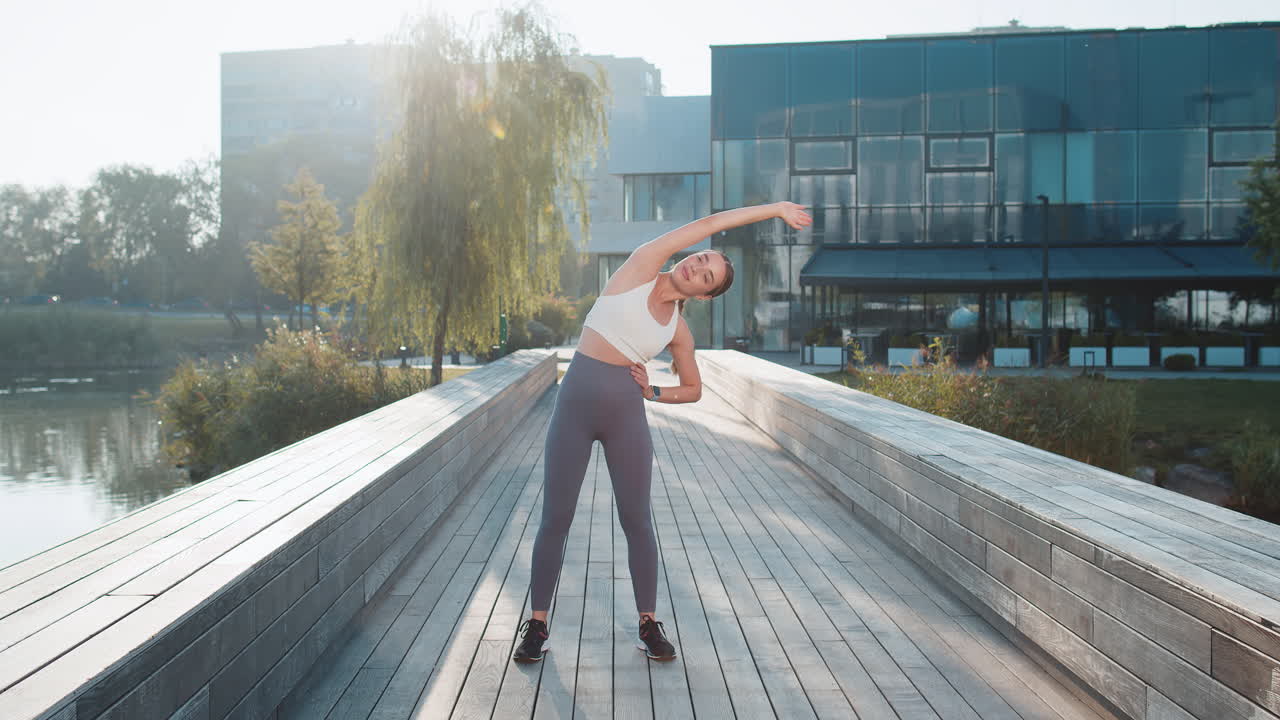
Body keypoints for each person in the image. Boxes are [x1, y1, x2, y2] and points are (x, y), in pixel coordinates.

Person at [512, 201, 812, 664]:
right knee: (556, 517)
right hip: (574, 407)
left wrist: (653, 390)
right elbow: (712, 224)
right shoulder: (642, 266)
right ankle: (536, 625)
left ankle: (648, 624)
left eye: (707, 275)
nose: (697, 265)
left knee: (637, 521)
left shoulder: (679, 331)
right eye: (702, 258)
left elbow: (693, 389)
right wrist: (774, 209)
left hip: (625, 417)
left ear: (706, 295)